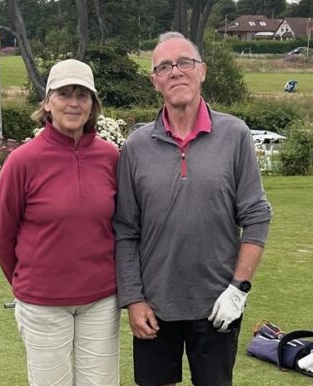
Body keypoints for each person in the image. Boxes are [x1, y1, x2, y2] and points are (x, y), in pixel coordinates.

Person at [114, 32, 272, 386]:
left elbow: (257, 216)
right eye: (165, 67)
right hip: (154, 306)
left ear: (203, 71)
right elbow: (126, 230)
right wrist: (134, 300)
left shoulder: (235, 135)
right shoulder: (136, 146)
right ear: (155, 81)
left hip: (217, 305)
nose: (176, 72)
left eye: (185, 62)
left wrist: (238, 289)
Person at [0, 59, 120, 386]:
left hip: (100, 301)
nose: (74, 102)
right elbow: (1, 235)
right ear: (47, 102)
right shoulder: (23, 161)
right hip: (42, 304)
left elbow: (122, 227)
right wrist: (29, 282)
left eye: (82, 95)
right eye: (64, 94)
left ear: (93, 105)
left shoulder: (112, 157)